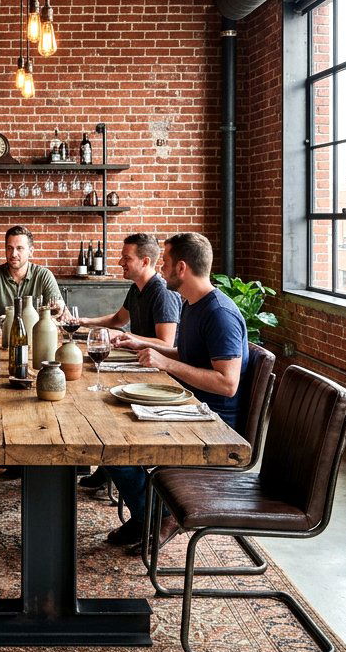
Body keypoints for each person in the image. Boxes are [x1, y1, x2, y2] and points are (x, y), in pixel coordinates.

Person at [104, 231, 249, 554]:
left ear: (181, 268)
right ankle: (147, 515)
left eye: (165, 262)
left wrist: (166, 364)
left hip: (211, 423)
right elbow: (186, 355)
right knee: (110, 427)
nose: (161, 268)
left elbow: (228, 383)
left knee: (114, 448)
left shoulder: (219, 313)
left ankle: (159, 516)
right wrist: (145, 346)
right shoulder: (194, 305)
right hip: (189, 407)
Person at [77, 232, 182, 491]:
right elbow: (117, 320)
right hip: (139, 365)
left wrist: (127, 336)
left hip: (159, 375)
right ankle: (107, 468)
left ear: (145, 261)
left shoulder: (162, 293)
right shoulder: (137, 288)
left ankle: (115, 465)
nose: (120, 262)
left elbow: (166, 344)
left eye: (126, 258)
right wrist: (84, 321)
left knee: (101, 400)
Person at [0, 225, 65, 318]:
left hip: (36, 331)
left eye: (19, 248)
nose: (13, 254)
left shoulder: (44, 275)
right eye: (9, 248)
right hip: (3, 331)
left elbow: (62, 314)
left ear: (31, 251)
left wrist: (59, 308)